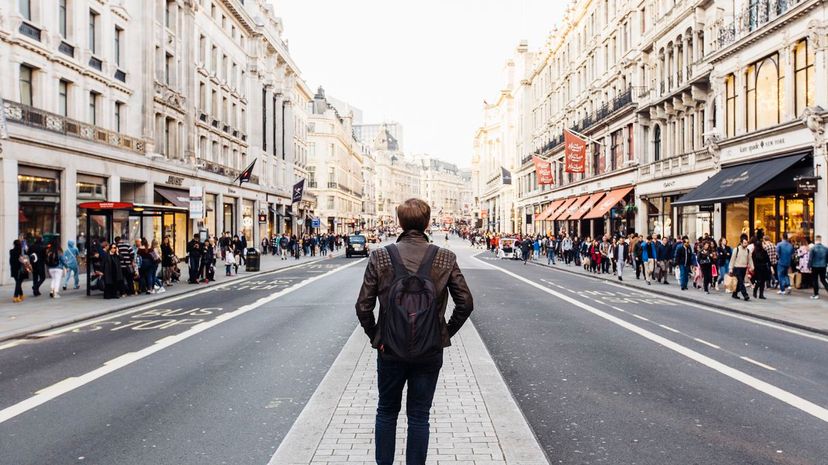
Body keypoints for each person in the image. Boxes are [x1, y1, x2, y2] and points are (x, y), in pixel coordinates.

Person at [355, 198, 473, 465]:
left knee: (386, 411)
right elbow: (466, 302)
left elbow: (363, 306)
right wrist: (444, 332)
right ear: (427, 222)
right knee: (419, 416)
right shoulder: (445, 257)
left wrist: (378, 336)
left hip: (390, 349)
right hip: (429, 350)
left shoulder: (380, 256)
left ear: (399, 222)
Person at [730, 235, 753, 301]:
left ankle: (734, 294)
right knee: (741, 282)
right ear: (741, 243)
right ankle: (745, 295)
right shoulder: (736, 249)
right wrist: (730, 268)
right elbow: (732, 260)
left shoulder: (748, 251)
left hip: (743, 268)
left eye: (747, 243)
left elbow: (750, 259)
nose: (746, 244)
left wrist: (752, 267)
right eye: (744, 243)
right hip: (736, 268)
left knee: (738, 283)